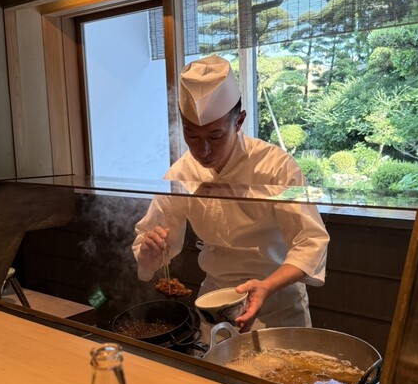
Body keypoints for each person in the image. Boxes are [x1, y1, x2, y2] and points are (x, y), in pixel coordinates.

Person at [132, 54, 329, 333]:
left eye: (215, 136)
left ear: (239, 122)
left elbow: (311, 240)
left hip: (276, 303)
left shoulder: (276, 166)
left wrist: (267, 286)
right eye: (192, 136)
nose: (203, 151)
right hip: (215, 304)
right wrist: (149, 256)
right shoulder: (181, 173)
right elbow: (151, 241)